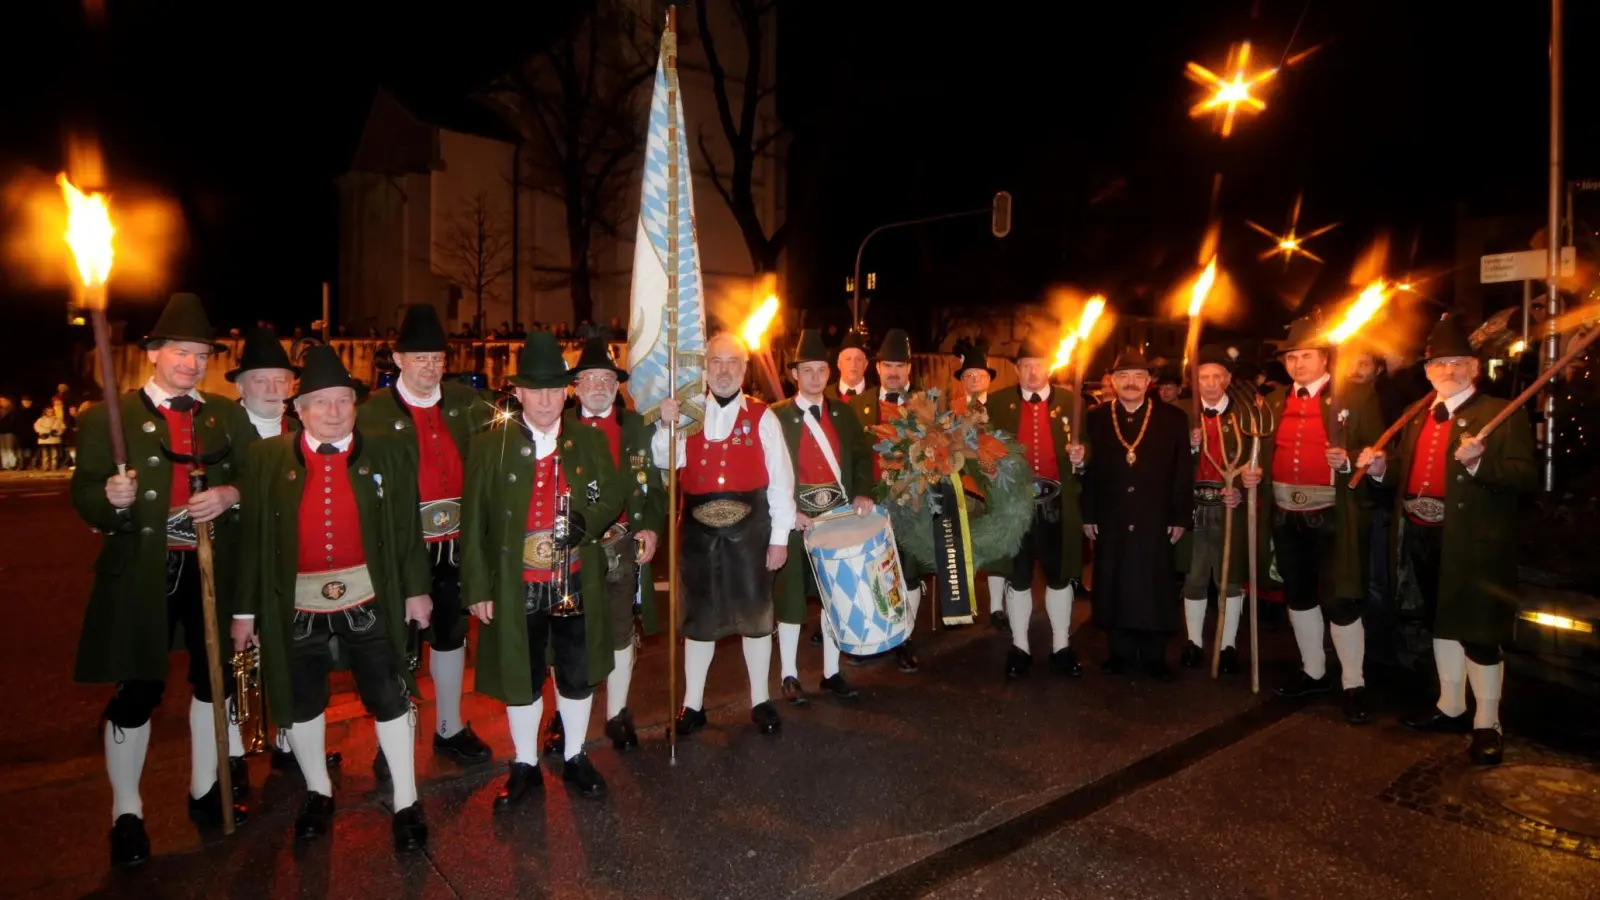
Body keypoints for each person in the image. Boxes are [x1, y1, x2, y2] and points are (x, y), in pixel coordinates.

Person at [71, 293, 255, 867]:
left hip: (209, 569)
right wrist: (110, 498)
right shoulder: (108, 416)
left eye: (202, 355)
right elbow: (84, 493)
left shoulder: (226, 414)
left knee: (212, 680)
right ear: (153, 353)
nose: (192, 364)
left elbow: (256, 479)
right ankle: (127, 813)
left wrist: (230, 495)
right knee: (139, 689)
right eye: (181, 352)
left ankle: (206, 788)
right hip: (142, 573)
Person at [232, 346, 433, 852]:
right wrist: (244, 610)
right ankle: (318, 791)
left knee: (388, 693)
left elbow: (408, 528)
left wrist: (416, 590)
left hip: (369, 596)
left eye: (342, 401)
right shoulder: (266, 459)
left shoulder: (389, 451)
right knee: (302, 702)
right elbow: (253, 540)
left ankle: (407, 798)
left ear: (354, 404)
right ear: (298, 409)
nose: (333, 411)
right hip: (295, 605)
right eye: (320, 402)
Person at [1359, 314, 1536, 765]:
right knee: (1441, 621)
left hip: (1472, 542)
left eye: (1458, 363)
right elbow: (1404, 473)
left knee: (1477, 632)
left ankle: (1487, 722)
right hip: (1420, 533)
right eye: (1439, 364)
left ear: (1475, 368)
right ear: (1427, 372)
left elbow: (1524, 477)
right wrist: (1381, 469)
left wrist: (1479, 464)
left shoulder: (1501, 413)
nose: (1448, 371)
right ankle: (1451, 706)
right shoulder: (1416, 416)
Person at [461, 332, 627, 806]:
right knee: (523, 672)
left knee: (577, 670)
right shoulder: (490, 446)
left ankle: (575, 755)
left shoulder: (588, 441)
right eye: (536, 390)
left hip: (575, 575)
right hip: (517, 584)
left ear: (567, 391)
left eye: (555, 390)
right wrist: (477, 585)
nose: (547, 400)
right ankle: (525, 763)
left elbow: (608, 493)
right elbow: (472, 522)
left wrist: (587, 520)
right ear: (518, 392)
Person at [358, 304, 496, 776]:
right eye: (419, 358)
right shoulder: (370, 414)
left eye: (437, 357)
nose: (430, 366)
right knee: (396, 640)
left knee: (451, 636)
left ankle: (450, 728)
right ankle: (391, 737)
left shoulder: (466, 403)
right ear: (397, 360)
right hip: (401, 547)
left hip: (456, 542)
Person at [1241, 318, 1383, 723]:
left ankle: (1353, 682)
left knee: (1340, 599)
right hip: (1286, 512)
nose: (1298, 363)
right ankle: (1314, 670)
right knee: (1299, 596)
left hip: (1333, 513)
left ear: (1325, 358)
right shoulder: (1272, 402)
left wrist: (1353, 458)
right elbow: (1261, 453)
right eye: (1292, 357)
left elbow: (1376, 450)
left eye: (1306, 356)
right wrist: (1254, 474)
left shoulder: (1355, 396)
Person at [654, 332, 795, 735]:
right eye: (716, 361)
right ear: (704, 367)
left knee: (755, 616)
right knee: (699, 620)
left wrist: (780, 538)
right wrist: (665, 424)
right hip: (698, 534)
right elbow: (665, 461)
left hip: (751, 532)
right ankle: (692, 705)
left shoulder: (763, 416)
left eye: (733, 362)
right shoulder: (686, 413)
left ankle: (760, 700)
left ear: (744, 369)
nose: (724, 369)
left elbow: (781, 482)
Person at [541, 336, 665, 753]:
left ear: (618, 384)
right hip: (572, 547)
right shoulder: (556, 426)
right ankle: (562, 715)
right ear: (575, 385)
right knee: (567, 633)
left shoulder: (640, 426)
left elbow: (656, 489)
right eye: (590, 378)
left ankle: (617, 713)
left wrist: (650, 529)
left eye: (607, 377)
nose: (598, 384)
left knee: (620, 630)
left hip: (622, 545)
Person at [771, 329, 876, 704]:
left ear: (829, 374)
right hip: (797, 522)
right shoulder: (776, 416)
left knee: (835, 596)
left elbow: (863, 458)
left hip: (837, 519)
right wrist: (787, 512)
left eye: (820, 370)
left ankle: (832, 672)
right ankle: (788, 675)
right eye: (806, 370)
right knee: (791, 600)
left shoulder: (844, 415)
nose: (814, 377)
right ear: (794, 376)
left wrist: (863, 490)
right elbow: (768, 470)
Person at [1080, 349, 1193, 678]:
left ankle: (1155, 656)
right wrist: (1088, 514)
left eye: (1138, 377)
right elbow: (1089, 473)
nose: (1131, 383)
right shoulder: (1097, 418)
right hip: (1111, 516)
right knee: (1115, 581)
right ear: (1112, 382)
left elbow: (1182, 471)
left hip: (1156, 516)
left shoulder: (1173, 419)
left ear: (1150, 382)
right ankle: (1120, 654)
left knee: (1154, 584)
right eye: (1123, 377)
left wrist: (1180, 516)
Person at [226, 325, 305, 770]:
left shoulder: (301, 428)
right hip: (235, 563)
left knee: (290, 655)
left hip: (290, 566)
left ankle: (290, 739)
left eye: (281, 380)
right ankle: (234, 753)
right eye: (261, 380)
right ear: (240, 385)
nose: (273, 389)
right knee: (235, 661)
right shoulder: (223, 432)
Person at [988, 336, 1087, 680]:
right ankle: (1020, 647)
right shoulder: (998, 403)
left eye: (1039, 365)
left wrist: (1082, 456)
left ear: (1050, 367)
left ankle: (1061, 646)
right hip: (1014, 507)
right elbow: (982, 449)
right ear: (1016, 370)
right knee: (1018, 578)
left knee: (1060, 577)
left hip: (1057, 506)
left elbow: (1089, 455)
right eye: (1026, 366)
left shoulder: (1072, 402)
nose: (1033, 372)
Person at [842, 328, 925, 671]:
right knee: (869, 570)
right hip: (870, 504)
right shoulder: (859, 405)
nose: (893, 372)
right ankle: (869, 638)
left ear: (909, 370)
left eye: (900, 366)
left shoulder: (927, 405)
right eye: (888, 365)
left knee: (908, 573)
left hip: (913, 504)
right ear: (877, 368)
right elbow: (851, 455)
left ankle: (905, 638)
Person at [1178, 345, 1248, 674]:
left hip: (1229, 508)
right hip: (1193, 508)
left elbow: (1256, 463)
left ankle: (1228, 643)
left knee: (1228, 579)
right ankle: (1194, 641)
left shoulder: (1245, 415)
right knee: (1194, 578)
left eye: (1216, 376)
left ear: (1227, 379)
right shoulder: (1181, 415)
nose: (1209, 383)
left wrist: (1246, 489)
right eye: (1203, 377)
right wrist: (1189, 447)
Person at [949, 337, 1011, 631]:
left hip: (995, 487)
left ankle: (997, 607)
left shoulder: (1001, 407)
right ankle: (965, 604)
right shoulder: (950, 412)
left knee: (997, 548)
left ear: (989, 379)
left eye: (980, 375)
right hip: (962, 488)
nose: (974, 379)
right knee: (965, 547)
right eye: (968, 375)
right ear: (962, 379)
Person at [826, 329, 871, 400]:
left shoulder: (877, 396)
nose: (853, 364)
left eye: (858, 359)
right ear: (839, 364)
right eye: (848, 359)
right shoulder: (824, 396)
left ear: (865, 364)